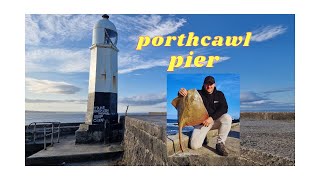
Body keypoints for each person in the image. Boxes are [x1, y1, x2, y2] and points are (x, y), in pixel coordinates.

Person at [178, 75, 232, 156]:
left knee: (227, 118)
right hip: (203, 123)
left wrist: (212, 118)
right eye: (207, 84)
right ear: (203, 84)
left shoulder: (219, 94)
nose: (209, 86)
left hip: (214, 121)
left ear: (214, 84)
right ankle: (204, 137)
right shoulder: (198, 94)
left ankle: (220, 144)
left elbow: (224, 108)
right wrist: (181, 93)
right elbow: (186, 97)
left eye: (211, 84)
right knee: (194, 146)